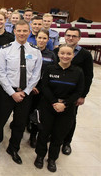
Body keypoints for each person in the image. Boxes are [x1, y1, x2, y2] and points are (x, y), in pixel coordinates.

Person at [0, 20, 42, 164]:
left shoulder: (35, 51)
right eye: (19, 30)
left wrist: (25, 92)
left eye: (25, 31)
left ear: (29, 32)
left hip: (25, 94)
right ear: (14, 31)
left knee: (19, 124)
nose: (22, 33)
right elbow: (1, 73)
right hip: (7, 92)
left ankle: (13, 148)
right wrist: (12, 93)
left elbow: (36, 75)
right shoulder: (5, 49)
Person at [34, 44, 84, 173]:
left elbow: (78, 91)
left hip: (66, 109)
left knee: (58, 135)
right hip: (48, 106)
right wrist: (55, 102)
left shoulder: (78, 72)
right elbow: (44, 86)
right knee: (44, 132)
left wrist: (65, 104)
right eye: (62, 53)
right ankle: (40, 156)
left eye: (68, 54)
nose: (65, 56)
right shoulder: (50, 69)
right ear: (58, 54)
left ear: (73, 55)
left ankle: (52, 159)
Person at [55, 27, 93, 155]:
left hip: (73, 94)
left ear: (79, 38)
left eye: (74, 36)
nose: (70, 38)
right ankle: (54, 138)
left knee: (70, 119)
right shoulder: (57, 50)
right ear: (64, 36)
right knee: (54, 115)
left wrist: (83, 95)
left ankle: (66, 142)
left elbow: (88, 76)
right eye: (68, 35)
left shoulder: (85, 55)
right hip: (57, 91)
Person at [28, 28, 57, 148]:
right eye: (39, 37)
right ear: (36, 38)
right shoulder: (29, 52)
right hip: (30, 88)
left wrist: (41, 87)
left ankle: (33, 136)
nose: (41, 40)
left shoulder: (51, 55)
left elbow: (52, 74)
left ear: (48, 40)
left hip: (43, 89)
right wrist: (31, 86)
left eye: (44, 38)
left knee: (39, 114)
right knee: (28, 111)